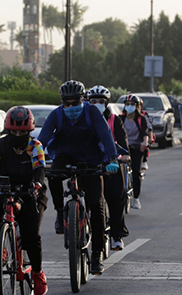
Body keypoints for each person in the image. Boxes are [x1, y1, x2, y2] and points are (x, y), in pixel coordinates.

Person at [38, 80, 119, 275]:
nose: (71, 107)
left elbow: (106, 136)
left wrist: (112, 159)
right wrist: (35, 159)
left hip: (91, 159)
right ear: (62, 102)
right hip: (65, 156)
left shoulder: (92, 113)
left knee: (96, 205)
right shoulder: (56, 115)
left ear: (83, 100)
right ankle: (59, 212)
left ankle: (97, 254)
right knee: (53, 176)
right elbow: (42, 139)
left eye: (75, 103)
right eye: (67, 103)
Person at [0, 106, 49, 295]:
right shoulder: (1, 144)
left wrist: (36, 183)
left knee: (31, 236)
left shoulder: (35, 146)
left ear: (29, 131)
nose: (17, 135)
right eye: (14, 131)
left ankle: (37, 272)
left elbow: (39, 167)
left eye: (22, 132)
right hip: (5, 188)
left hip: (30, 191)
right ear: (8, 130)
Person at [87, 85, 130, 251]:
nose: (97, 103)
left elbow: (122, 140)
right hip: (90, 162)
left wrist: (124, 155)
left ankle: (116, 235)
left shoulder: (114, 119)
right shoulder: (85, 119)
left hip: (111, 163)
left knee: (116, 198)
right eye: (93, 101)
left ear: (106, 103)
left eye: (101, 101)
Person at [121, 94, 150, 210]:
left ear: (137, 106)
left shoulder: (141, 119)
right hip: (123, 148)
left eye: (132, 105)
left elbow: (145, 133)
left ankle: (136, 198)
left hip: (137, 147)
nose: (129, 107)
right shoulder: (120, 118)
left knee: (136, 173)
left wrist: (144, 143)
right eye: (127, 104)